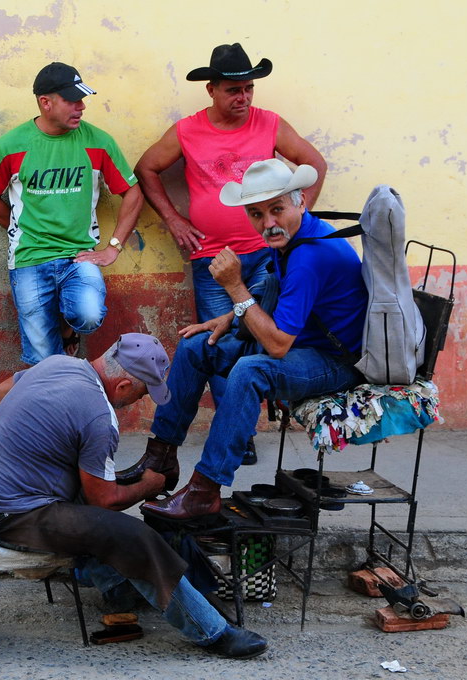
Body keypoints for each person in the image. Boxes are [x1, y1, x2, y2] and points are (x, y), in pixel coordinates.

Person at [0, 333, 269, 659]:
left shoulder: (58, 363)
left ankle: (119, 589)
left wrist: (44, 444)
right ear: (123, 386)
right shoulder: (98, 415)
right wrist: (149, 487)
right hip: (11, 517)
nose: (141, 400)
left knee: (93, 510)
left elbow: (2, 391)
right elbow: (105, 502)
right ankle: (213, 633)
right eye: (142, 392)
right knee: (131, 534)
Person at [127, 43, 328, 472]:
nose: (244, 98)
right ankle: (237, 435)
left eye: (249, 89)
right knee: (220, 345)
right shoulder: (187, 130)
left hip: (265, 256)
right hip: (213, 260)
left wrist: (296, 216)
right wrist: (174, 220)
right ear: (212, 90)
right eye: (234, 90)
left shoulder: (269, 123)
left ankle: (237, 434)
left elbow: (313, 162)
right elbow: (146, 168)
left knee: (257, 341)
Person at [141, 159, 367, 521]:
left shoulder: (311, 254)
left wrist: (233, 287)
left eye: (276, 209)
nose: (268, 223)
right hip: (303, 345)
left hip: (335, 363)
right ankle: (160, 460)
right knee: (197, 345)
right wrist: (230, 316)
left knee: (250, 370)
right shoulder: (296, 237)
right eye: (257, 214)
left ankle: (205, 490)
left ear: (300, 202)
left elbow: (277, 346)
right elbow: (273, 294)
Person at [0, 62, 143, 364]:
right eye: (72, 100)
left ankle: (69, 329)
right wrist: (20, 229)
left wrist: (114, 247)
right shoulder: (11, 146)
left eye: (82, 99)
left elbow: (132, 192)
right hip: (29, 259)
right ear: (46, 102)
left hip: (78, 256)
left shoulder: (98, 142)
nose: (81, 107)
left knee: (89, 314)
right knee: (42, 361)